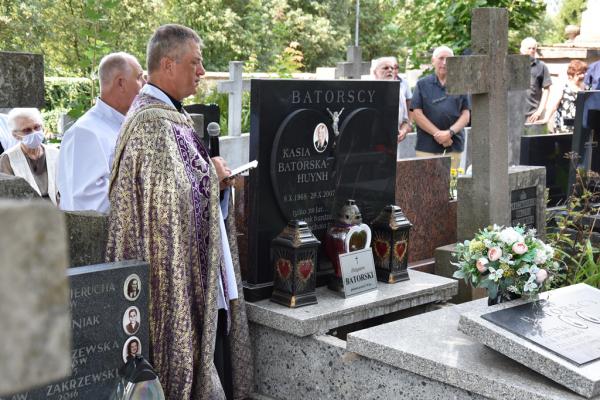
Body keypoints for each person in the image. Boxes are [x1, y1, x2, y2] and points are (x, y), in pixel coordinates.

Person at [105, 24, 252, 400]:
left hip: (196, 269)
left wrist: (212, 180)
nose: (202, 72)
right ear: (168, 64)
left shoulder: (172, 116)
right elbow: (167, 207)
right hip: (169, 276)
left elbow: (181, 188)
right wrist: (212, 178)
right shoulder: (151, 124)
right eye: (196, 63)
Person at [57, 52, 145, 213]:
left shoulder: (127, 125)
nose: (144, 84)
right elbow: (89, 205)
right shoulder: (85, 133)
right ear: (121, 83)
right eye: (139, 77)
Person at [411, 46, 471, 169]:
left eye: (448, 59)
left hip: (453, 145)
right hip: (427, 146)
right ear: (433, 61)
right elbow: (417, 114)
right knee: (426, 185)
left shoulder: (460, 84)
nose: (444, 62)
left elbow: (466, 115)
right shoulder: (422, 84)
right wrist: (439, 135)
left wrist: (450, 133)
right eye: (441, 58)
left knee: (451, 185)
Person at [0, 108, 59, 204]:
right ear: (15, 135)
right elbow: (7, 196)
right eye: (27, 130)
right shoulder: (7, 159)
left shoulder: (55, 153)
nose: (34, 133)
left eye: (37, 127)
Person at [371, 57, 413, 142]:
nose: (390, 70)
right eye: (385, 68)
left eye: (392, 68)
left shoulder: (400, 93)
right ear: (375, 73)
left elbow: (405, 120)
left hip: (393, 144)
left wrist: (403, 131)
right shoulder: (369, 92)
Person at [542, 60, 588, 133]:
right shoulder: (564, 87)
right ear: (571, 75)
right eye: (579, 74)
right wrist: (546, 119)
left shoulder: (586, 88)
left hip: (581, 126)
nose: (582, 76)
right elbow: (554, 105)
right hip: (565, 127)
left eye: (583, 73)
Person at [520, 37, 552, 123]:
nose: (532, 50)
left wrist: (539, 111)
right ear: (522, 49)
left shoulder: (541, 66)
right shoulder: (515, 65)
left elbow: (547, 90)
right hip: (515, 112)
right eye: (529, 48)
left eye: (534, 48)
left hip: (532, 114)